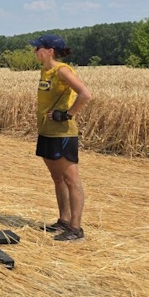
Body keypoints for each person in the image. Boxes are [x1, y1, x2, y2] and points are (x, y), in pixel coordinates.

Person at [31, 34, 92, 242]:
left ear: (49, 51)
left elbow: (85, 93)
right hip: (46, 131)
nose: (34, 51)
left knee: (71, 179)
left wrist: (67, 114)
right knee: (57, 179)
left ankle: (76, 229)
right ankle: (63, 221)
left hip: (63, 133)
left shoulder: (62, 70)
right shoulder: (45, 70)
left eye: (37, 48)